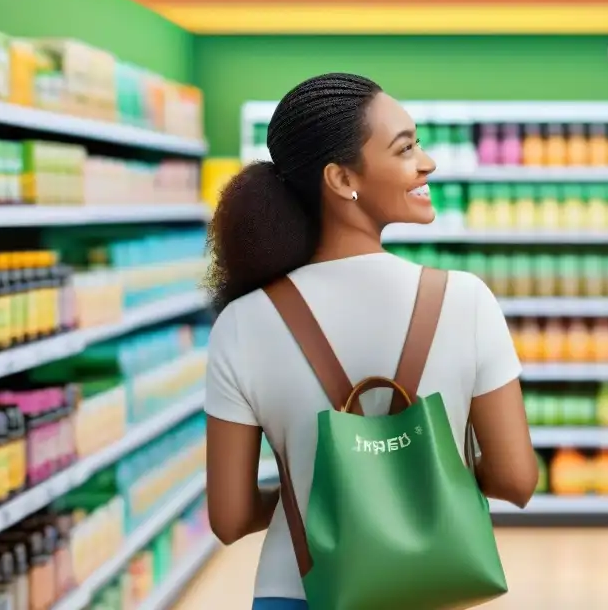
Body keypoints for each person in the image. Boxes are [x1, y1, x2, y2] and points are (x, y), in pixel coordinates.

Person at [203, 73, 539, 609]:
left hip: (296, 591)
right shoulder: (466, 301)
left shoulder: (243, 323)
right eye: (406, 149)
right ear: (340, 179)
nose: (427, 163)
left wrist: (325, 489)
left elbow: (228, 516)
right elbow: (517, 480)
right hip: (430, 590)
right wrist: (416, 480)